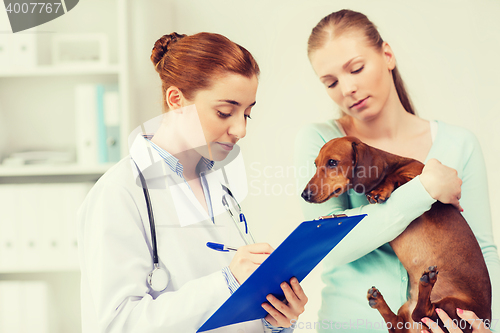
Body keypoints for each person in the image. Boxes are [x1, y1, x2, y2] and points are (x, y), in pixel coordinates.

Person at [78, 31, 307, 333]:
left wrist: (275, 320)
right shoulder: (119, 193)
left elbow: (232, 311)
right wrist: (226, 282)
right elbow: (118, 324)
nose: (240, 129)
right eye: (225, 112)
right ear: (176, 100)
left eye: (247, 114)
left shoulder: (220, 189)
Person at [294, 9, 500, 333]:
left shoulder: (460, 143)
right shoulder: (322, 142)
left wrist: (488, 326)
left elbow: (485, 250)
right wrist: (424, 189)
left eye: (356, 68)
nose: (347, 88)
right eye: (331, 82)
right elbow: (326, 247)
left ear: (387, 55)